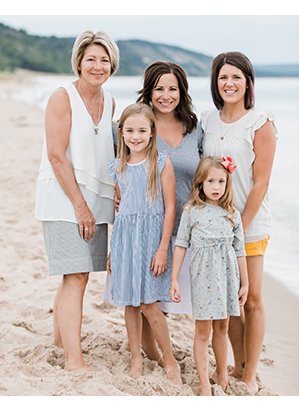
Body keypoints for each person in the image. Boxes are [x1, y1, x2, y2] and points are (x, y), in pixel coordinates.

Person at [37, 30, 119, 373]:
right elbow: (57, 156)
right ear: (79, 63)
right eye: (91, 59)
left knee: (75, 276)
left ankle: (60, 343)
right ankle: (74, 360)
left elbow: (107, 154)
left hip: (95, 200)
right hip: (64, 197)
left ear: (112, 64)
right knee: (77, 276)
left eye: (104, 60)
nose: (97, 66)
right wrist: (80, 206)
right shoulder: (62, 96)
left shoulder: (111, 101)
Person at [116, 61, 205, 363]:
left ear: (182, 91)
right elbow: (123, 167)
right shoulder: (139, 125)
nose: (166, 95)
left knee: (169, 301)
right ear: (149, 91)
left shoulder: (194, 128)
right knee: (144, 299)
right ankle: (153, 356)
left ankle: (159, 355)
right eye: (159, 88)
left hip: (186, 228)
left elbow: (206, 172)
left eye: (173, 88)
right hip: (146, 229)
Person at [201, 51, 277, 393]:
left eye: (236, 77)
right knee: (229, 300)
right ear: (215, 83)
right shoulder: (207, 120)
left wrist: (240, 228)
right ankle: (238, 363)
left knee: (254, 297)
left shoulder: (260, 122)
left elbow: (261, 182)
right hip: (214, 227)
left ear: (248, 81)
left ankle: (249, 376)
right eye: (223, 78)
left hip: (250, 224)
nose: (229, 83)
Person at [106, 103, 182, 383]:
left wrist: (163, 248)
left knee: (150, 304)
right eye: (130, 130)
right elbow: (122, 212)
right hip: (126, 242)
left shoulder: (161, 162)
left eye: (142, 130)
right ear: (121, 133)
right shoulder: (117, 167)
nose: (135, 136)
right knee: (130, 302)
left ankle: (170, 360)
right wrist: (114, 251)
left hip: (152, 242)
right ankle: (135, 357)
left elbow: (170, 208)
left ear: (152, 133)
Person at [171, 156, 249, 395]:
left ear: (227, 184)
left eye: (221, 182)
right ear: (200, 184)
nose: (216, 187)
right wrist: (174, 279)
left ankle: (222, 376)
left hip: (227, 278)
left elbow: (240, 250)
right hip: (203, 279)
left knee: (223, 329)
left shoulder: (232, 214)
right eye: (211, 181)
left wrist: (245, 283)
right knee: (203, 332)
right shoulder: (192, 211)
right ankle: (204, 383)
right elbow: (181, 244)